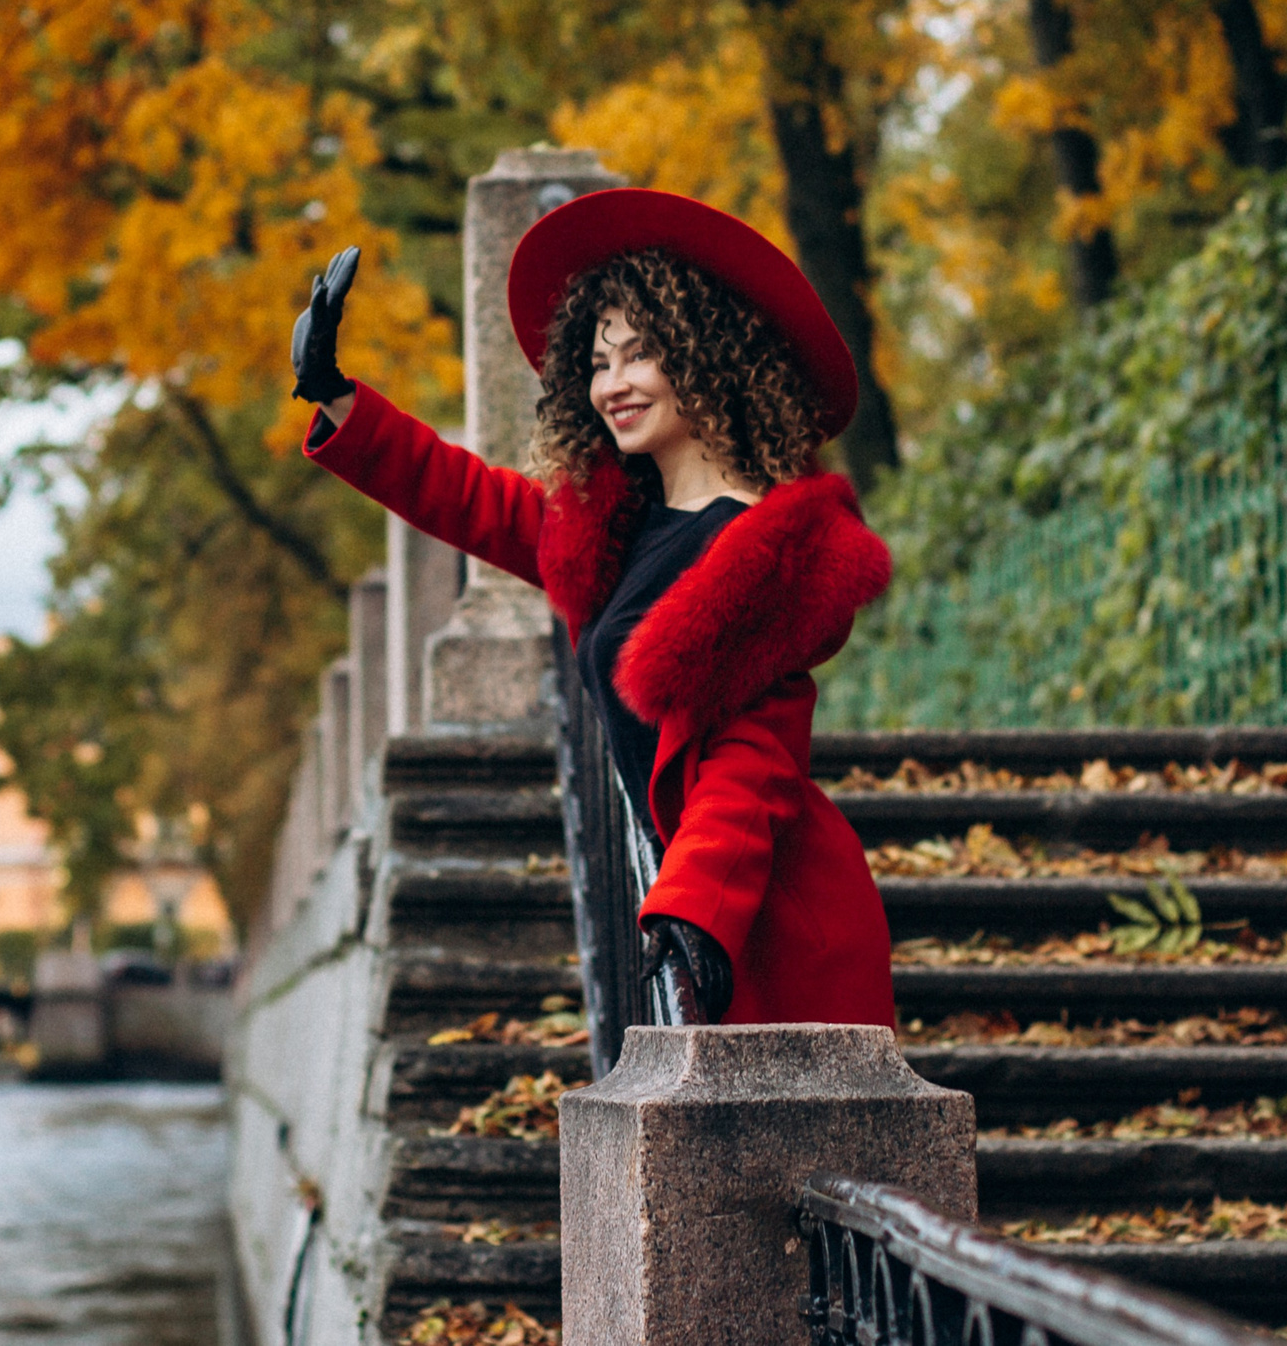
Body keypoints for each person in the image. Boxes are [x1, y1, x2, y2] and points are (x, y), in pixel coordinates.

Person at [289, 188, 895, 1027]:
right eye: (599, 361)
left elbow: (753, 759)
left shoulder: (766, 550)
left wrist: (694, 902)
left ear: (707, 357)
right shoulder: (621, 529)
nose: (612, 384)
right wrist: (337, 397)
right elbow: (466, 497)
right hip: (697, 907)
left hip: (773, 926)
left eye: (640, 354)